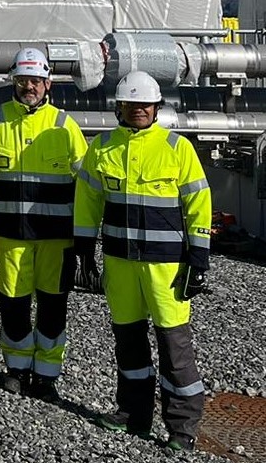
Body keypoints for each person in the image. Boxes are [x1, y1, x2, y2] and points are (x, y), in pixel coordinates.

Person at [73, 72, 212, 451]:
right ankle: (133, 413)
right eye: (131, 105)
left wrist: (198, 258)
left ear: (156, 108)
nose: (138, 110)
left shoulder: (176, 148)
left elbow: (198, 204)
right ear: (119, 108)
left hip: (166, 268)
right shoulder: (101, 148)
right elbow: (87, 200)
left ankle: (182, 427)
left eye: (145, 105)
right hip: (120, 264)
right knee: (129, 341)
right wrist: (84, 246)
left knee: (174, 347)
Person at [0, 46, 88, 399]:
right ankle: (16, 368)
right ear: (14, 81)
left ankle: (47, 375)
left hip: (57, 239)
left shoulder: (63, 126)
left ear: (48, 83)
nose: (30, 86)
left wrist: (85, 234)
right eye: (24, 80)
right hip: (10, 238)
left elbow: (85, 186)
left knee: (53, 306)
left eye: (36, 80)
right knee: (12, 303)